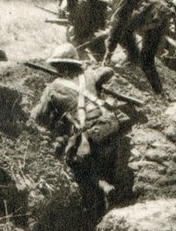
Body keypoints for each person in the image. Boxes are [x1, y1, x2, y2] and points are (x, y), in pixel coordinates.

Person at [31, 43, 134, 228]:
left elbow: (39, 117)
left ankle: (101, 196)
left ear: (59, 66)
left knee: (76, 164)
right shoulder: (90, 75)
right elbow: (108, 71)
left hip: (90, 133)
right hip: (111, 125)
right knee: (106, 166)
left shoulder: (53, 87)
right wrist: (88, 69)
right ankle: (110, 197)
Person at [98, 0, 173, 94]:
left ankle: (158, 91)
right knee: (146, 57)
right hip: (162, 16)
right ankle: (135, 59)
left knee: (145, 60)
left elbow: (117, 22)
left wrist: (109, 50)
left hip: (153, 17)